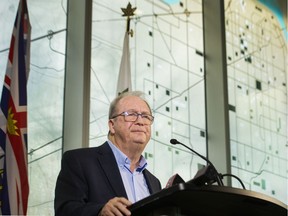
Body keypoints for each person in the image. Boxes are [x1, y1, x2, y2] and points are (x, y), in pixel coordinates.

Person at [54, 91, 162, 216]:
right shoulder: (79, 161)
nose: (140, 121)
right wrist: (99, 212)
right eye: (131, 114)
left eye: (145, 116)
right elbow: (65, 211)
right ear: (112, 125)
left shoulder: (155, 183)